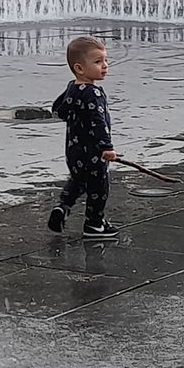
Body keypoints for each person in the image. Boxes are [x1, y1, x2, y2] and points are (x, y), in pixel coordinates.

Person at [48, 36, 119, 240]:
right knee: (99, 187)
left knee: (78, 181)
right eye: (98, 62)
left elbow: (58, 110)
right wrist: (107, 147)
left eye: (105, 61)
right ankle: (94, 224)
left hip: (74, 151)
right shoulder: (93, 93)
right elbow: (98, 122)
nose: (105, 66)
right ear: (79, 68)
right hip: (93, 152)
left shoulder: (73, 87)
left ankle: (63, 207)